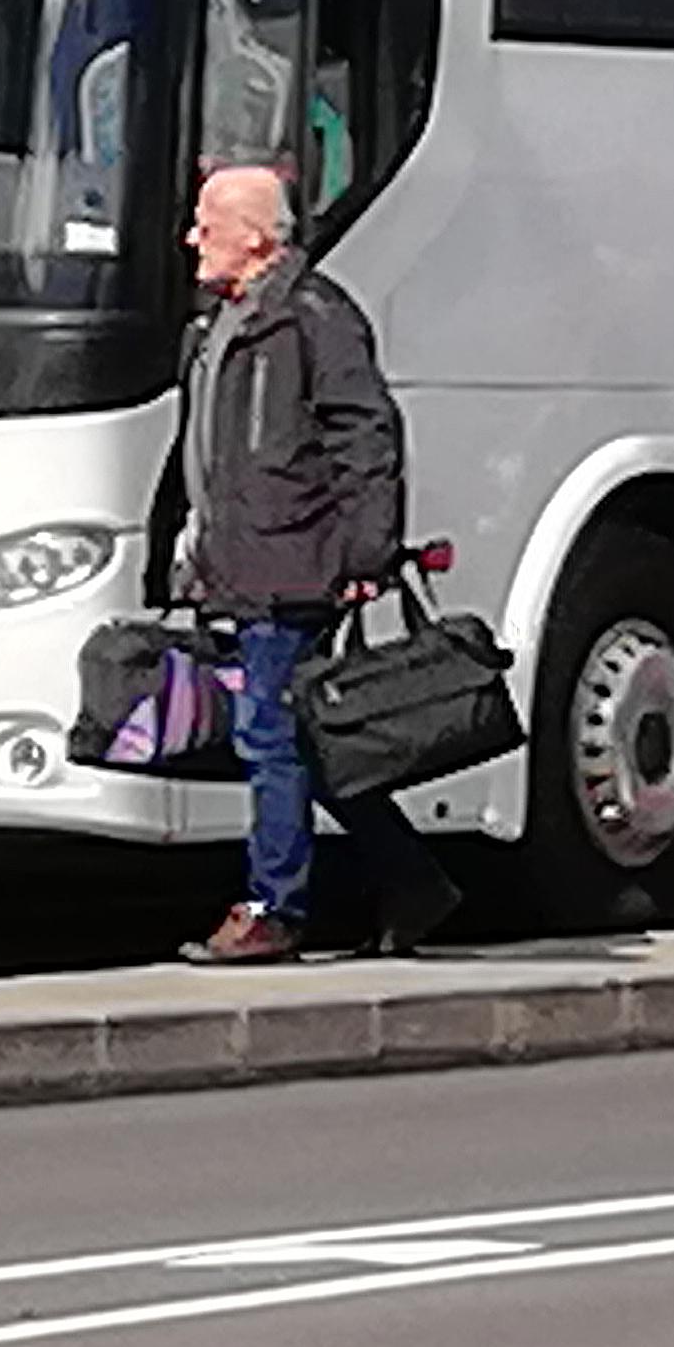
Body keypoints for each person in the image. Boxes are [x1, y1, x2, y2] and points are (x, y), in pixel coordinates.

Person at [166, 162, 463, 965]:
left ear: (256, 237)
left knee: (270, 736)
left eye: (207, 221)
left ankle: (273, 908)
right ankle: (413, 882)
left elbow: (367, 436)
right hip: (242, 560)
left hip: (292, 560)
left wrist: (366, 551)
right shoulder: (221, 325)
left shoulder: (313, 318)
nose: (192, 236)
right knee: (306, 737)